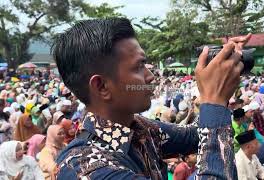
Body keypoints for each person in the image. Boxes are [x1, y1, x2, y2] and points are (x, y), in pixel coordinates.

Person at [54, 18, 251, 179]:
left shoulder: (140, 130)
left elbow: (198, 135)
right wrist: (214, 100)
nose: (150, 76)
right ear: (102, 86)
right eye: (139, 66)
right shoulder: (85, 168)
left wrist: (224, 72)